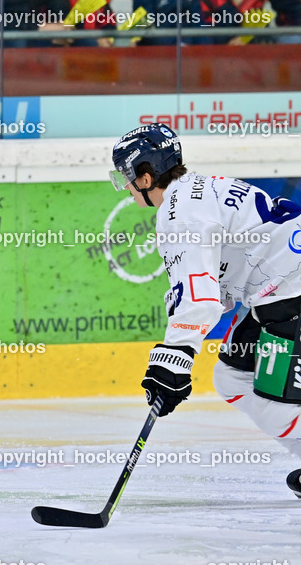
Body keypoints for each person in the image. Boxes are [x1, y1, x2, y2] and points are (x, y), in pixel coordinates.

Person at [109, 123, 301, 494]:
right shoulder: (204, 187)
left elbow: (200, 297)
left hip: (290, 294)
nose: (128, 188)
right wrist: (177, 348)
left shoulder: (179, 214)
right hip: (280, 291)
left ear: (146, 178)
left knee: (245, 381)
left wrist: (173, 358)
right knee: (234, 377)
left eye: (127, 179)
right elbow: (216, 286)